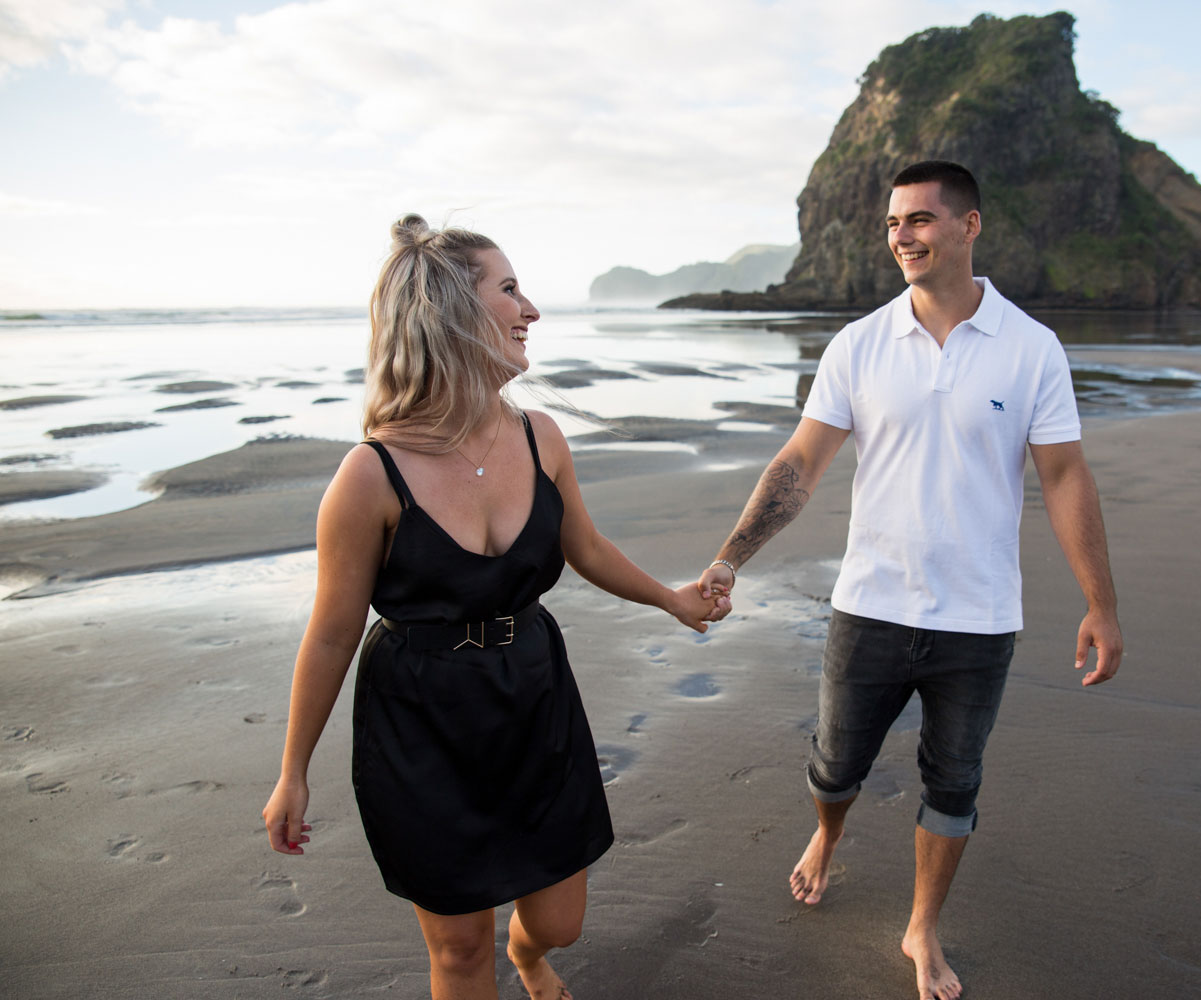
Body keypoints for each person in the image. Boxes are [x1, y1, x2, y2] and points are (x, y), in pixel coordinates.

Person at [262, 214, 729, 1000]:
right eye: (510, 289)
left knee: (560, 920)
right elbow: (334, 633)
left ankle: (532, 956)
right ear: (449, 312)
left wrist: (671, 600)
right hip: (420, 721)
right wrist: (292, 773)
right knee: (456, 952)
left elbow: (584, 548)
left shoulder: (542, 437)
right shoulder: (369, 477)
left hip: (533, 698)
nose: (531, 310)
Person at [696, 160, 1123, 1000]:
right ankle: (828, 833)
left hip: (980, 617)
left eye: (921, 220)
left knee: (955, 784)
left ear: (969, 226)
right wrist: (729, 556)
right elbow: (801, 463)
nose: (903, 237)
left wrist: (1101, 604)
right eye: (894, 223)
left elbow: (1066, 475)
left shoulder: (1031, 349)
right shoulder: (859, 345)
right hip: (870, 606)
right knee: (835, 766)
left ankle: (922, 926)